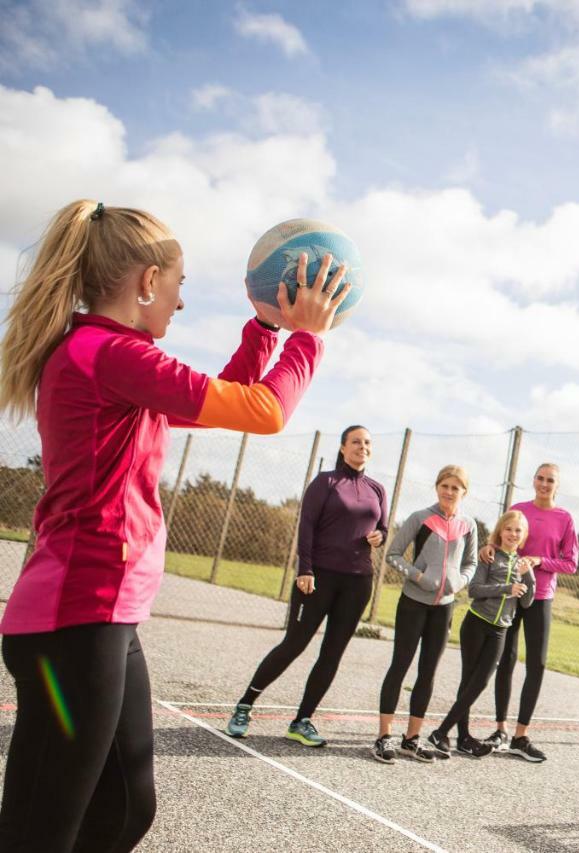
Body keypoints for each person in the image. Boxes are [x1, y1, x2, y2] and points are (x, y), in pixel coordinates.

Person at [0, 199, 347, 853]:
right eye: (180, 284)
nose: (182, 304)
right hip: (70, 624)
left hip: (102, 621)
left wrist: (265, 327)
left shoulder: (116, 360)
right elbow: (264, 410)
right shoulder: (108, 354)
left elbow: (225, 402)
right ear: (148, 281)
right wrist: (307, 337)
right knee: (38, 832)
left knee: (125, 811)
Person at [224, 425, 388, 746]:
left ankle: (302, 721)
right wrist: (306, 569)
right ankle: (245, 705)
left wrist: (380, 537)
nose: (362, 447)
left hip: (358, 582)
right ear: (343, 447)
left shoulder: (377, 489)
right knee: (294, 644)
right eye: (356, 442)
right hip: (318, 577)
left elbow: (381, 527)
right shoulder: (325, 482)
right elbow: (307, 526)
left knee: (332, 653)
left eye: (367, 442)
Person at [386, 510, 535, 763]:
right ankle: (462, 737)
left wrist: (527, 575)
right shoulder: (489, 557)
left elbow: (527, 602)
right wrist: (506, 589)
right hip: (477, 624)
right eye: (508, 529)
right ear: (500, 531)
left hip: (501, 628)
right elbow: (475, 590)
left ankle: (442, 732)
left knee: (480, 683)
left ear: (523, 537)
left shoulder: (523, 565)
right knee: (468, 681)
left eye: (518, 531)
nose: (513, 534)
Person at [374, 464, 478, 762]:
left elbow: (471, 564)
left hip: (444, 608)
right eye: (445, 486)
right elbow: (393, 554)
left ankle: (412, 738)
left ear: (464, 492)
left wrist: (459, 581)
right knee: (400, 665)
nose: (449, 492)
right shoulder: (420, 518)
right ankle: (384, 737)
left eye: (455, 487)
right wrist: (418, 577)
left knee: (428, 672)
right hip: (413, 603)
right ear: (437, 487)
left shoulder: (469, 525)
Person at [481, 463, 578, 763]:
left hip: (541, 597)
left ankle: (521, 736)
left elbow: (570, 563)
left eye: (550, 480)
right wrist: (488, 546)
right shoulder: (518, 508)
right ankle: (500, 729)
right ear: (533, 480)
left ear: (557, 485)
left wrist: (539, 561)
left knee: (536, 663)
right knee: (505, 659)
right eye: (540, 478)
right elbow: (500, 539)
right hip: (511, 592)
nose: (544, 484)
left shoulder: (564, 518)